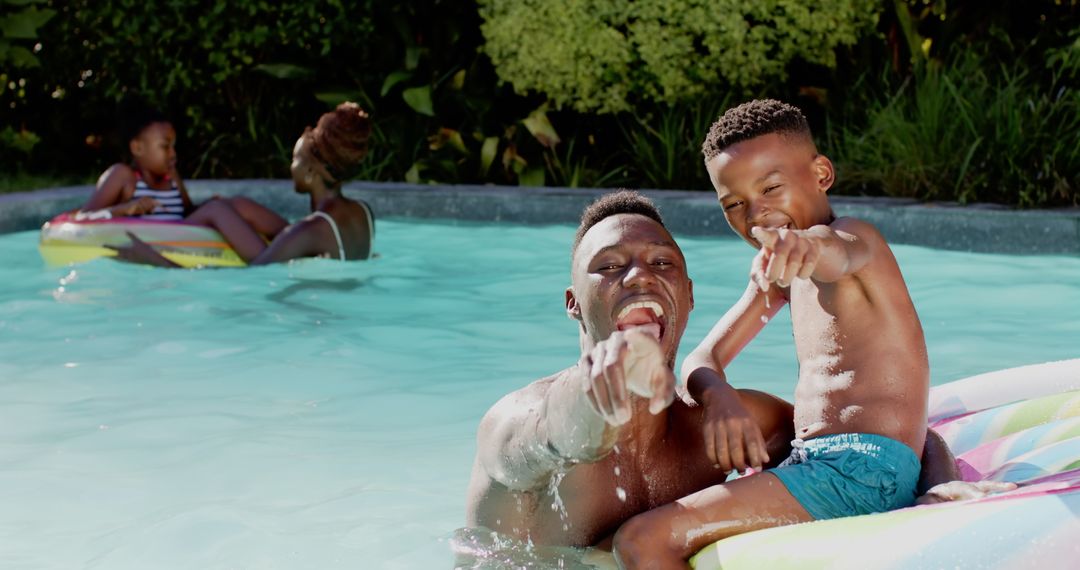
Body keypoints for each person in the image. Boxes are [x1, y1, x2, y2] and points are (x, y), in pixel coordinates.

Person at [465, 191, 993, 560]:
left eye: (662, 263)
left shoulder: (718, 427)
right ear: (574, 304)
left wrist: (939, 487)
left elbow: (876, 444)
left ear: (689, 297)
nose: (639, 275)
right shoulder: (513, 423)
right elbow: (557, 431)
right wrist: (596, 392)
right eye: (608, 266)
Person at [608, 99, 994, 568]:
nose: (756, 213)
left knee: (641, 540)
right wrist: (718, 396)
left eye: (771, 188)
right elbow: (702, 359)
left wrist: (802, 245)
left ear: (821, 174)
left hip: (857, 472)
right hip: (820, 462)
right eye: (734, 204)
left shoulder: (856, 240)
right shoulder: (778, 276)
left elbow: (835, 252)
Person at [110, 102, 375, 266]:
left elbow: (253, 279)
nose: (290, 167)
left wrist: (154, 260)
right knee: (235, 206)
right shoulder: (364, 212)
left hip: (312, 315)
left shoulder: (309, 230)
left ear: (308, 173)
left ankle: (161, 237)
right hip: (335, 301)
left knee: (216, 210)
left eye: (294, 160)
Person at [84, 107, 288, 261]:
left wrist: (210, 205)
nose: (173, 154)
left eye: (173, 146)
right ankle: (266, 261)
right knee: (216, 209)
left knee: (236, 203)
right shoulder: (123, 176)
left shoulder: (172, 177)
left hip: (180, 234)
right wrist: (125, 209)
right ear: (137, 148)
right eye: (165, 147)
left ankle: (292, 238)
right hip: (155, 241)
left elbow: (186, 212)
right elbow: (83, 218)